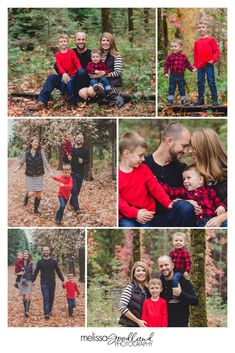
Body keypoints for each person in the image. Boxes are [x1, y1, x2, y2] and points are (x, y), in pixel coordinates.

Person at [144, 123, 197, 226]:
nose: (185, 151)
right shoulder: (143, 165)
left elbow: (188, 195)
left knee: (185, 207)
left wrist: (189, 201)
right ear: (169, 141)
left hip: (171, 219)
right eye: (183, 146)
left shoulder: (182, 169)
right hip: (145, 220)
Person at [118, 131, 173, 227]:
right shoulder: (118, 175)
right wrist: (136, 213)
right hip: (126, 216)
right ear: (126, 153)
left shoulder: (144, 169)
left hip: (146, 214)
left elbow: (155, 188)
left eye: (144, 155)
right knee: (128, 226)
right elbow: (119, 201)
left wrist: (168, 203)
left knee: (146, 228)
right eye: (140, 155)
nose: (143, 159)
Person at [32, 31, 91, 110]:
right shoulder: (70, 51)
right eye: (78, 39)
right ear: (75, 41)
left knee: (81, 72)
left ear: (86, 40)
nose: (81, 41)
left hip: (79, 85)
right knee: (52, 77)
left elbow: (93, 69)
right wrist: (64, 74)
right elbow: (57, 66)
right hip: (66, 80)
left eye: (83, 39)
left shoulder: (91, 54)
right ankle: (42, 101)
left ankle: (75, 100)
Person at [161, 164, 226, 226]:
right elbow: (170, 191)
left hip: (213, 220)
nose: (185, 181)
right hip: (198, 222)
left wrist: (221, 206)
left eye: (188, 178)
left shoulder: (210, 191)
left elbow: (218, 202)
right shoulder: (184, 192)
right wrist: (156, 182)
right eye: (184, 179)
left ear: (200, 180)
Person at [190, 128, 227, 227]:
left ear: (204, 149)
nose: (190, 151)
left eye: (193, 148)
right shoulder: (194, 173)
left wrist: (221, 218)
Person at [79, 32, 124, 108]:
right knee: (81, 92)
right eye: (103, 40)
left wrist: (103, 74)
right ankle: (103, 100)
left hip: (112, 82)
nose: (105, 42)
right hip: (98, 81)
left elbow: (117, 72)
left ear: (111, 42)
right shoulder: (98, 55)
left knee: (91, 91)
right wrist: (92, 73)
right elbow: (91, 67)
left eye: (107, 40)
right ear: (100, 42)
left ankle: (116, 98)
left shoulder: (116, 55)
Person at [158, 255, 198, 327]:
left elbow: (195, 301)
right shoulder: (158, 284)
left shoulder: (183, 282)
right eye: (161, 266)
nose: (164, 268)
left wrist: (180, 294)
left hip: (181, 326)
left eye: (166, 265)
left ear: (172, 265)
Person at [15, 137, 52, 214]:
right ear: (31, 143)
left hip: (39, 175)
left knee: (38, 193)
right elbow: (21, 163)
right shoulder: (26, 153)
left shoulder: (41, 152)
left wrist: (50, 171)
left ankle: (36, 209)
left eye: (37, 142)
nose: (36, 143)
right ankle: (27, 196)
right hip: (29, 175)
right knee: (31, 193)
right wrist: (17, 169)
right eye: (35, 142)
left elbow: (45, 163)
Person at [33, 246, 64, 319]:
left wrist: (62, 280)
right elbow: (36, 272)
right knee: (46, 297)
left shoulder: (53, 261)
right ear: (43, 252)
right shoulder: (40, 262)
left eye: (47, 250)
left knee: (51, 297)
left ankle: (49, 310)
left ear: (49, 251)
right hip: (44, 283)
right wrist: (32, 280)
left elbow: (58, 271)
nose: (46, 251)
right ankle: (46, 313)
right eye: (44, 250)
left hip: (52, 282)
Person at [193, 20, 220, 106]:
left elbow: (216, 51)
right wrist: (195, 65)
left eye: (203, 27)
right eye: (199, 28)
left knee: (211, 81)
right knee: (200, 82)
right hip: (200, 66)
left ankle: (214, 100)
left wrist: (214, 59)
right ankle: (201, 100)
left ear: (207, 28)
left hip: (209, 64)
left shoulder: (211, 40)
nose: (201, 29)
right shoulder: (197, 42)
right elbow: (196, 55)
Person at [164, 38, 196, 106]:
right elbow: (166, 65)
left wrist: (192, 69)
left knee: (182, 88)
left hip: (181, 75)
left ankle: (184, 101)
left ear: (180, 47)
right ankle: (170, 101)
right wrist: (166, 73)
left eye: (175, 46)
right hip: (172, 75)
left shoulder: (183, 56)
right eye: (172, 46)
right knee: (171, 88)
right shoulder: (169, 57)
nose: (173, 48)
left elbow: (187, 64)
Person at [119, 261, 150, 327]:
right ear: (134, 274)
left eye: (143, 270)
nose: (141, 273)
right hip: (128, 325)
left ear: (146, 273)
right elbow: (122, 307)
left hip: (142, 326)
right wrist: (138, 321)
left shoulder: (148, 290)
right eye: (138, 270)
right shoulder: (130, 287)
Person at [54, 34, 82, 108]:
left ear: (68, 42)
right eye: (61, 42)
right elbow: (59, 65)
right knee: (63, 82)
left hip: (72, 73)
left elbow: (76, 61)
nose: (63, 43)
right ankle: (62, 97)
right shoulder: (57, 54)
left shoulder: (71, 52)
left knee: (69, 82)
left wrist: (79, 68)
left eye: (65, 41)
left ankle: (71, 101)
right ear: (58, 43)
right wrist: (63, 73)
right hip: (64, 74)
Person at [169, 232, 191, 303]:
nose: (178, 242)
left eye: (180, 241)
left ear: (184, 243)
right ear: (173, 242)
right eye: (176, 241)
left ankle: (176, 296)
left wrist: (187, 271)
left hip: (180, 271)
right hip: (172, 270)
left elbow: (188, 263)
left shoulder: (185, 253)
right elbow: (169, 262)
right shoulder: (172, 253)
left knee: (175, 278)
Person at [69, 133, 89, 213]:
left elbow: (88, 160)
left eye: (81, 138)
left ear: (83, 141)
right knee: (74, 189)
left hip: (80, 173)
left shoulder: (85, 150)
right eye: (78, 137)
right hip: (71, 172)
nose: (79, 139)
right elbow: (65, 159)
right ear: (75, 139)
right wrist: (68, 158)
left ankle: (71, 201)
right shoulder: (71, 149)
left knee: (77, 190)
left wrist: (83, 161)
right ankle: (76, 208)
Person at [17, 250, 34, 317]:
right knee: (23, 296)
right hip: (21, 280)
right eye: (24, 254)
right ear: (23, 255)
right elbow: (16, 272)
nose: (25, 255)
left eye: (27, 254)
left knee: (28, 295)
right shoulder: (20, 262)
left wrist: (33, 280)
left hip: (28, 280)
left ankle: (27, 311)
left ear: (28, 255)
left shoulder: (31, 262)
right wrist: (18, 273)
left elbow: (32, 272)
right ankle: (25, 309)